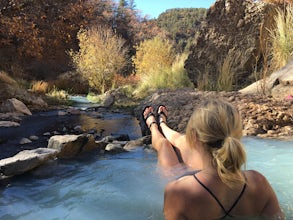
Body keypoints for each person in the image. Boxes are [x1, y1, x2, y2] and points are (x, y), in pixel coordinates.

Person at [142, 98, 283, 219]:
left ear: (195, 137)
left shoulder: (178, 192)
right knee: (176, 141)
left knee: (164, 145)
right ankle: (162, 124)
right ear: (237, 134)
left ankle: (155, 125)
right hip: (205, 180)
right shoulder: (259, 182)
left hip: (185, 179)